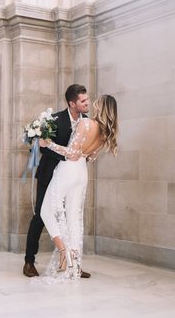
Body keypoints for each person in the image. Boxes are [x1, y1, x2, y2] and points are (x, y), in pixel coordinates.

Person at [40, 95, 118, 280]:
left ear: (101, 108)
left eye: (96, 104)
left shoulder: (86, 123)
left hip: (68, 170)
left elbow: (72, 154)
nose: (92, 105)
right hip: (82, 173)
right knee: (74, 217)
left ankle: (62, 252)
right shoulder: (106, 133)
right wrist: (85, 152)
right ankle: (75, 265)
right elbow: (90, 157)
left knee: (45, 210)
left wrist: (48, 143)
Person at [23, 84, 91, 278]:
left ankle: (73, 263)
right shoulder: (54, 120)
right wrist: (65, 156)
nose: (87, 103)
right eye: (83, 100)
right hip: (50, 175)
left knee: (72, 217)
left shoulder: (87, 122)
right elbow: (42, 147)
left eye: (87, 99)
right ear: (72, 103)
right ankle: (29, 261)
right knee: (41, 216)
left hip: (72, 178)